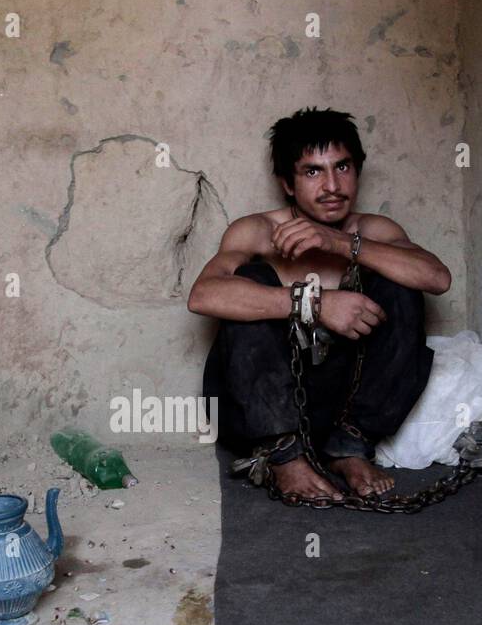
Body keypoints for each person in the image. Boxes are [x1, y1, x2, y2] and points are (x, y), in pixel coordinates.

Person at [190, 107, 450, 500]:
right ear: (287, 183)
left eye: (342, 167)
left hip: (341, 412)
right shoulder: (257, 231)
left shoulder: (371, 230)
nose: (332, 185)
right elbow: (203, 295)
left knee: (400, 281)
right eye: (312, 171)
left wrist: (340, 243)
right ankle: (284, 455)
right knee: (249, 283)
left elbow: (437, 278)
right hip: (258, 410)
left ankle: (350, 447)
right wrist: (312, 303)